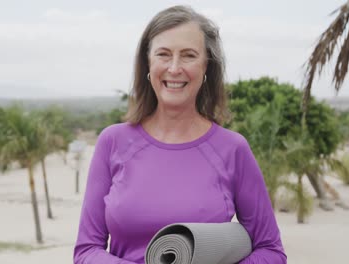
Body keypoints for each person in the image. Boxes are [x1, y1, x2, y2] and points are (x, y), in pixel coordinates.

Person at [74, 5, 286, 264]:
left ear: (206, 65)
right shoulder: (112, 142)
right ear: (148, 64)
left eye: (188, 55)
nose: (174, 68)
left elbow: (270, 250)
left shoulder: (233, 149)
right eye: (163, 54)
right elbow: (86, 251)